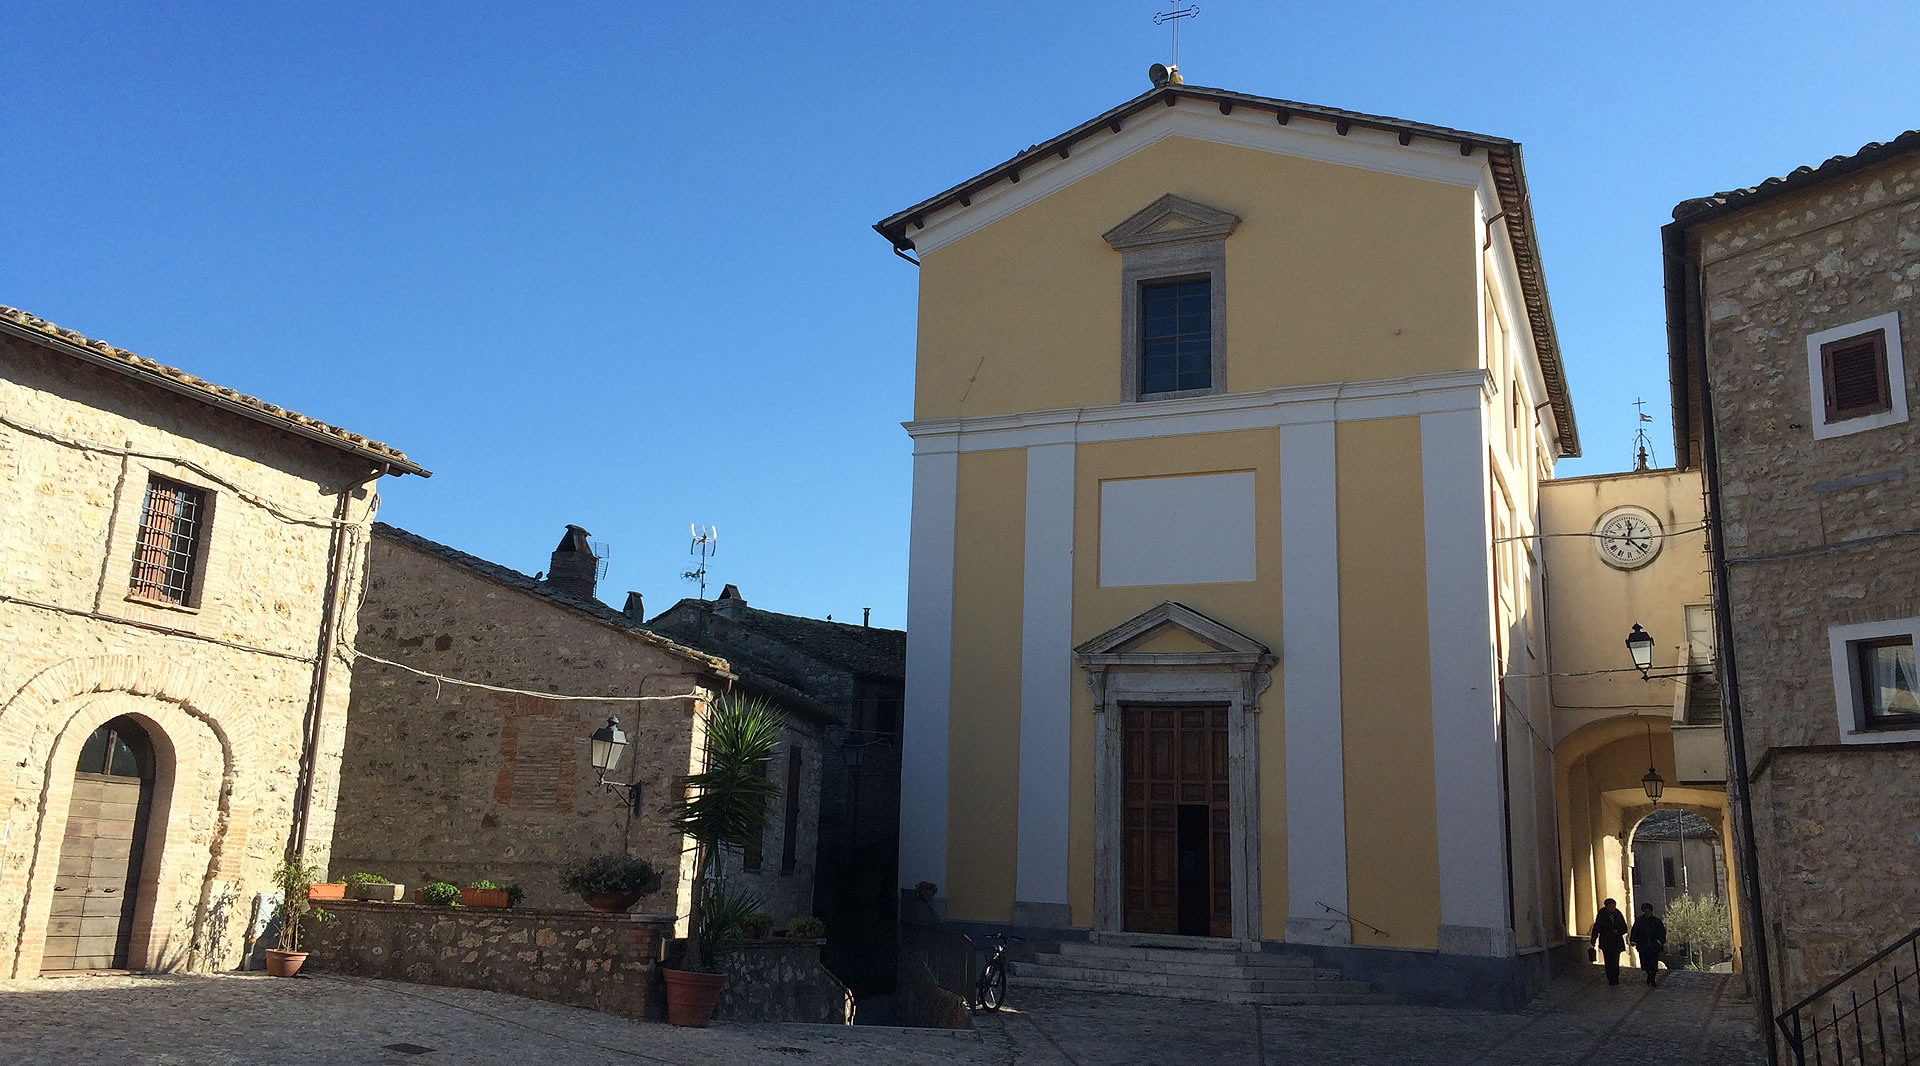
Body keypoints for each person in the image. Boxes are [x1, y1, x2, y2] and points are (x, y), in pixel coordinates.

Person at [1590, 898, 1629, 985]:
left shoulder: (1618, 914)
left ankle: (1615, 978)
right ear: (1606, 907)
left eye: (1613, 906)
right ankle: (1610, 979)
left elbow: (1624, 927)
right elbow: (1597, 927)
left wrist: (1618, 931)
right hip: (1606, 942)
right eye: (1610, 906)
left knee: (1615, 961)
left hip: (1616, 942)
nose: (1612, 908)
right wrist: (1593, 939)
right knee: (1608, 961)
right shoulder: (1602, 915)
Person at [1631, 902, 1668, 987]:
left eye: (1648, 911)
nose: (1647, 913)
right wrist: (1633, 940)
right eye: (1645, 912)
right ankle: (1649, 975)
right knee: (1645, 963)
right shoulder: (1639, 921)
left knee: (1653, 963)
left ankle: (1653, 978)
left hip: (1654, 947)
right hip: (1643, 946)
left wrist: (1659, 942)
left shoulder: (1656, 921)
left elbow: (1662, 932)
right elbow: (1635, 932)